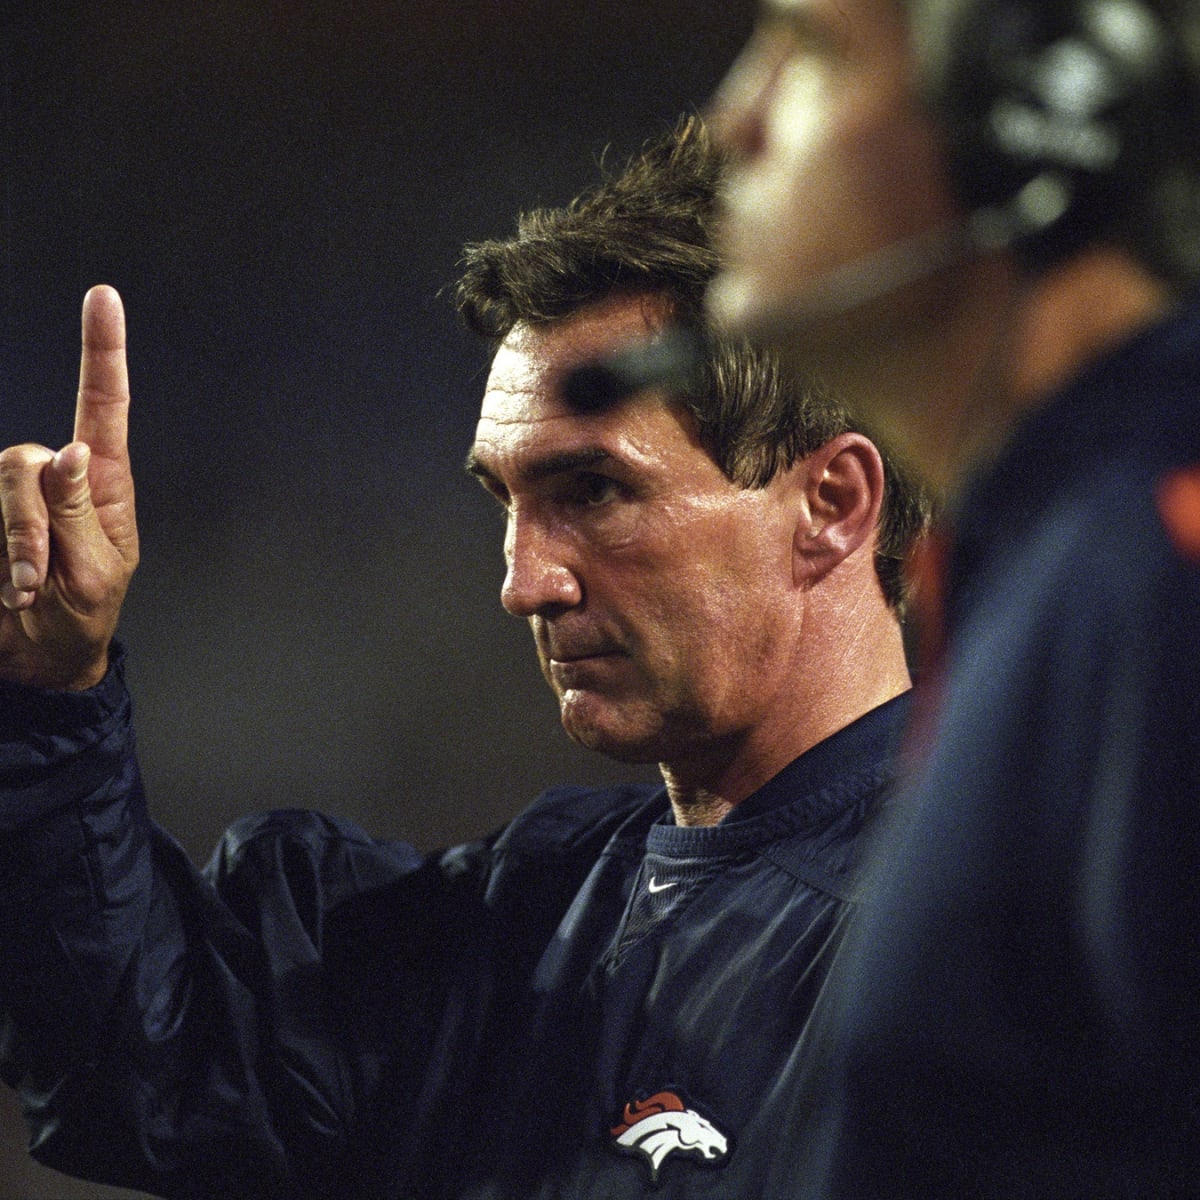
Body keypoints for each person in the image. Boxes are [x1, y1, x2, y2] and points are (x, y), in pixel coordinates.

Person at [0, 118, 928, 1198]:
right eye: (507, 500)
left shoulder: (1007, 951)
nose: (524, 583)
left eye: (592, 493)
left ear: (832, 504)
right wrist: (51, 696)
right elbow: (144, 1064)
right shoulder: (518, 918)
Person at [703, 0, 1200, 1194]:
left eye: (808, 52)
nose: (733, 124)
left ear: (1047, 109)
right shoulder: (1058, 552)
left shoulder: (1157, 559)